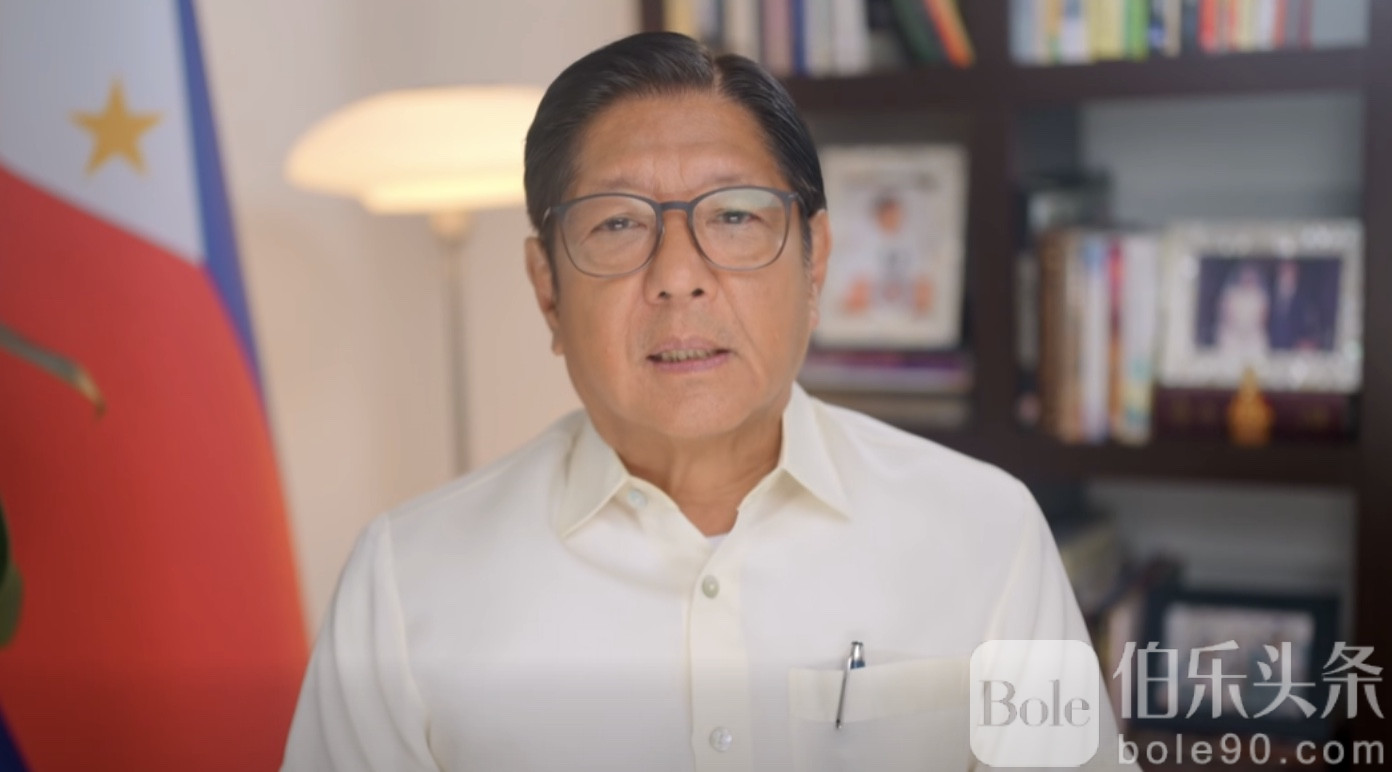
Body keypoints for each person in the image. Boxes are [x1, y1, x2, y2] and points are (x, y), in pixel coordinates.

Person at [281, 32, 1135, 771]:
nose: (678, 276)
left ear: (815, 263)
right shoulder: (406, 581)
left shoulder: (987, 533)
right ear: (547, 291)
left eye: (732, 217)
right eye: (618, 224)